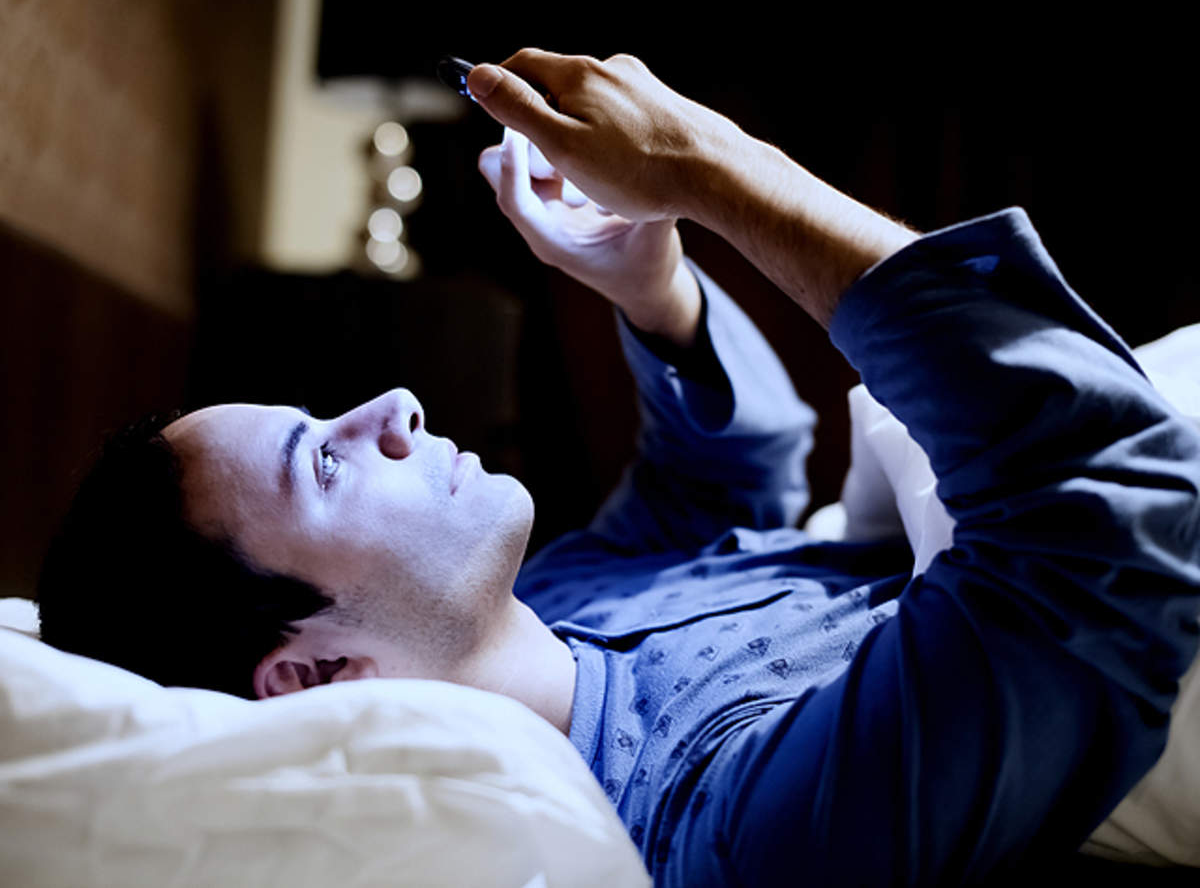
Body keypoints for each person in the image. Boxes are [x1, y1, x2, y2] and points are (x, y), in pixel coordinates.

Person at [36, 50, 1200, 885]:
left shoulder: (559, 595)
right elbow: (1108, 517)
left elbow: (723, 485)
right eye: (324, 466)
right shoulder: (722, 832)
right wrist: (717, 169)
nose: (392, 406)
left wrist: (651, 286)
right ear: (309, 673)